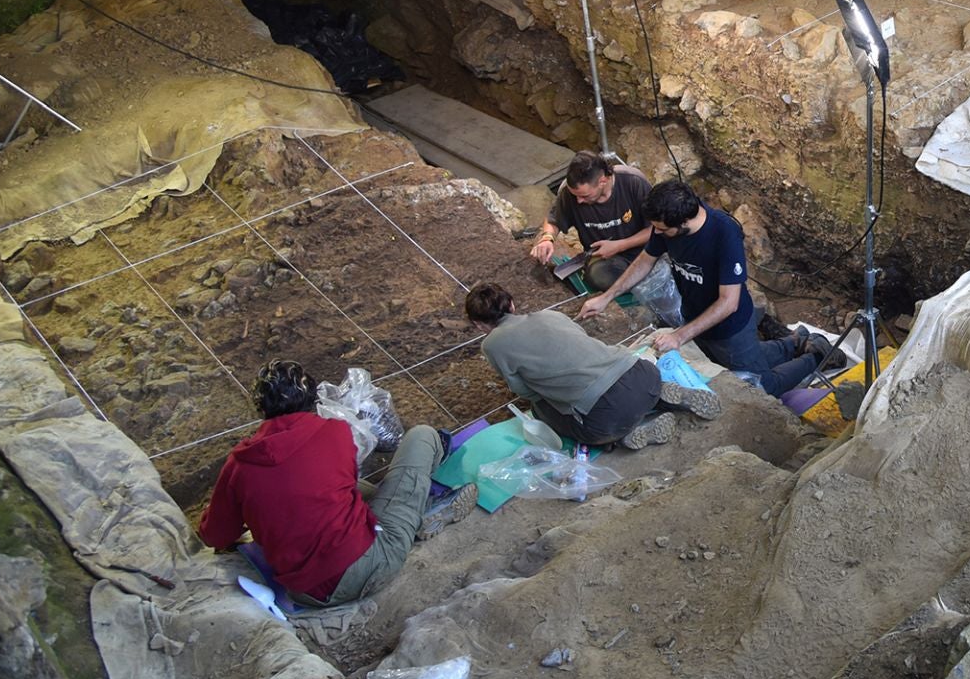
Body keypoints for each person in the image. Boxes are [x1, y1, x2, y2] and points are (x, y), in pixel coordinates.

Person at [197, 360, 468, 608]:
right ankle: (422, 510)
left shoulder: (239, 465)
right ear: (313, 397)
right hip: (372, 565)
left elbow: (215, 536)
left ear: (261, 408)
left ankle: (412, 514)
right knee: (423, 436)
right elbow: (348, 486)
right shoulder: (334, 431)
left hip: (306, 594)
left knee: (332, 494)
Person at [578, 181, 825, 397]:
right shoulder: (666, 224)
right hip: (695, 316)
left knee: (760, 385)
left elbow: (729, 302)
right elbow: (645, 260)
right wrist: (606, 297)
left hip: (730, 327)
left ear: (684, 222)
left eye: (663, 230)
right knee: (732, 363)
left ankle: (819, 355)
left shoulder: (724, 233)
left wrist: (679, 336)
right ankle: (796, 342)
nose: (658, 234)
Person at [465, 281, 721, 449]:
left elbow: (524, 391)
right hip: (642, 374)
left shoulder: (492, 345)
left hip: (605, 416)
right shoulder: (550, 315)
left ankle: (623, 436)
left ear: (479, 325)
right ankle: (660, 397)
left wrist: (551, 392)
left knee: (541, 408)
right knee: (624, 388)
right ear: (512, 304)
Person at [530, 151, 682, 324]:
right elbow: (553, 220)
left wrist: (620, 245)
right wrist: (547, 238)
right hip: (605, 259)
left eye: (584, 196)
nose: (578, 201)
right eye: (576, 196)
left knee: (669, 281)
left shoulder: (633, 182)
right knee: (598, 276)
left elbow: (657, 229)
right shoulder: (570, 193)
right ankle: (636, 289)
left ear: (603, 181)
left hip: (645, 252)